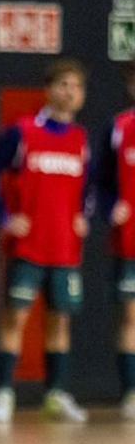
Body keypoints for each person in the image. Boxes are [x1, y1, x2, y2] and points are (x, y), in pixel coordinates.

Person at [0, 59, 91, 424]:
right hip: (29, 249)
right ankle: (3, 393)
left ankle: (55, 395)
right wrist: (6, 218)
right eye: (62, 84)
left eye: (75, 87)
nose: (68, 92)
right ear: (48, 90)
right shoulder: (23, 133)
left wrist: (84, 217)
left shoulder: (80, 140)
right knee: (16, 318)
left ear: (82, 96)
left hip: (65, 250)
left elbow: (90, 189)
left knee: (60, 323)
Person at [95, 61, 135, 420]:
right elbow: (100, 181)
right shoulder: (119, 128)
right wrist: (110, 208)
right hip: (130, 242)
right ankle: (131, 394)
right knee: (131, 317)